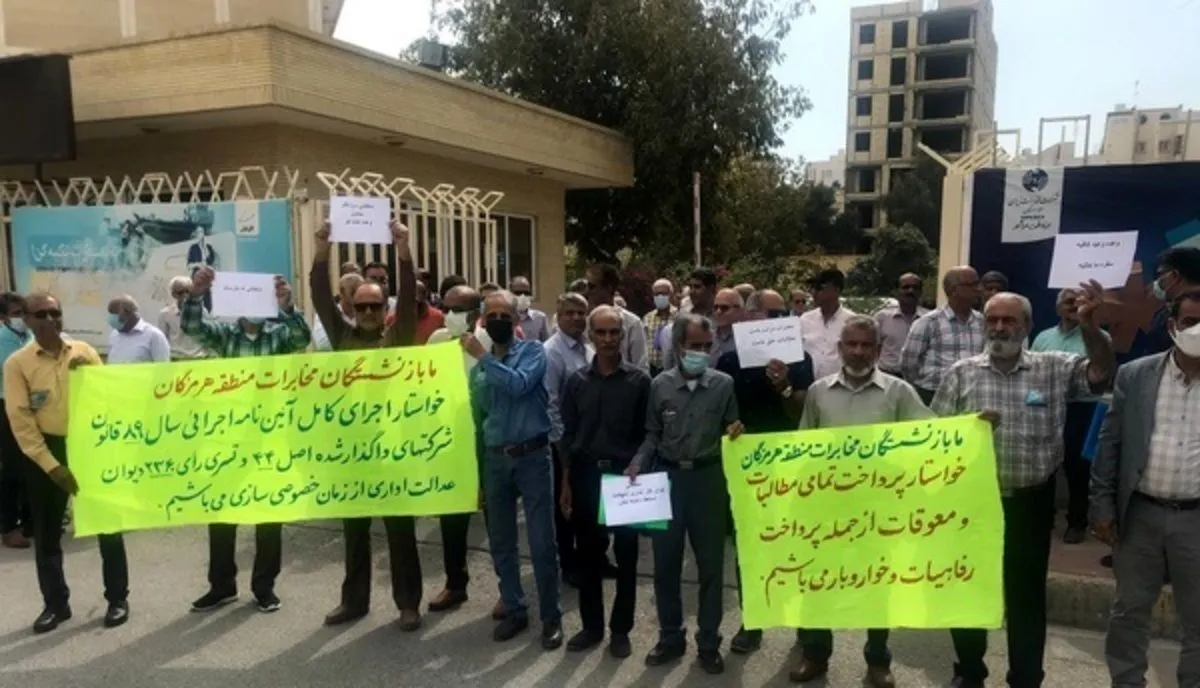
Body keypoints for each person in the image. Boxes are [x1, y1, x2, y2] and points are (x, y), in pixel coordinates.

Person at [932, 284, 1115, 688]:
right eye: (992, 319)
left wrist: (1089, 326)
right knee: (968, 590)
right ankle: (970, 673)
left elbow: (1101, 375)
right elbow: (935, 438)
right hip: (972, 505)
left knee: (1026, 597)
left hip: (1030, 505)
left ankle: (1027, 678)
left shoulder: (1054, 367)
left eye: (1008, 320)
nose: (999, 327)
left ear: (1027, 326)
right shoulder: (961, 373)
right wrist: (967, 430)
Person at [790, 315, 933, 688]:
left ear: (878, 349)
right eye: (851, 344)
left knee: (877, 585)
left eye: (866, 345)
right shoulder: (818, 392)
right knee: (818, 582)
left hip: (879, 509)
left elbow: (932, 436)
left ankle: (878, 661)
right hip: (827, 506)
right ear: (839, 348)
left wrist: (974, 428)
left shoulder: (899, 392)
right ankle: (815, 654)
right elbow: (804, 445)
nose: (858, 352)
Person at [310, 221, 425, 631]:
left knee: (399, 532)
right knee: (354, 530)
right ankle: (354, 601)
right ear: (351, 309)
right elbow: (319, 295)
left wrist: (404, 251)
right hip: (352, 452)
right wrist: (322, 249)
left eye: (376, 306)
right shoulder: (342, 336)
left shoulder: (398, 337)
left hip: (391, 451)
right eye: (361, 307)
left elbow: (408, 297)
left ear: (384, 308)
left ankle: (408, 603)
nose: (369, 313)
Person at [181, 267, 311, 614]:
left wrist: (287, 306)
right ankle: (222, 586)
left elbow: (302, 339)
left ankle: (264, 587)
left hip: (270, 436)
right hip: (230, 437)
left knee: (268, 513)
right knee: (221, 512)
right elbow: (192, 327)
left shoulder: (279, 335)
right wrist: (196, 293)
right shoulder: (225, 336)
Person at [1092, 290, 1200, 688]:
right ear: (1172, 326)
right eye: (1190, 322)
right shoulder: (1136, 375)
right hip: (1140, 514)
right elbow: (1110, 443)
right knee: (1129, 612)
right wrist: (1102, 506)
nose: (1198, 331)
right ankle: (1126, 682)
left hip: (1196, 518)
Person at [3, 292, 129, 632]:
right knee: (47, 533)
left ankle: (118, 598)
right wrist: (52, 466)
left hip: (90, 446)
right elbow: (21, 421)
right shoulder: (18, 364)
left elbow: (108, 401)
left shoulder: (84, 352)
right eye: (40, 314)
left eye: (54, 312)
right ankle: (56, 605)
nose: (49, 320)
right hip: (46, 449)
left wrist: (87, 377)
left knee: (108, 527)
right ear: (27, 319)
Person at [632, 313, 743, 675]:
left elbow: (732, 428)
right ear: (679, 346)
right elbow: (652, 434)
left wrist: (736, 431)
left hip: (708, 481)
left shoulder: (724, 384)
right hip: (667, 480)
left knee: (711, 566)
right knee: (665, 564)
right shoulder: (659, 385)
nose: (701, 352)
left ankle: (709, 642)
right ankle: (670, 636)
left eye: (707, 346)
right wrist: (637, 463)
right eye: (694, 345)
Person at [466, 289, 563, 649]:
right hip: (495, 460)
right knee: (501, 541)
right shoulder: (479, 368)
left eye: (504, 316)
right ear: (482, 320)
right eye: (491, 315)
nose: (498, 321)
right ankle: (514, 608)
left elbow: (520, 385)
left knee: (541, 542)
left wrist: (482, 358)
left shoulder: (533, 352)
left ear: (517, 319)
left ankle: (551, 617)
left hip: (532, 457)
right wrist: (478, 470)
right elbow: (479, 418)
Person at [719, 289, 814, 655]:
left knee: (799, 541)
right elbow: (723, 413)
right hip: (749, 468)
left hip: (792, 464)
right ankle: (753, 619)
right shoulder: (729, 361)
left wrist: (785, 386)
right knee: (750, 546)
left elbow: (803, 414)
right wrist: (731, 427)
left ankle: (805, 622)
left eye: (782, 314)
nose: (778, 321)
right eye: (770, 315)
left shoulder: (800, 359)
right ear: (750, 317)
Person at [558, 305, 651, 658]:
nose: (608, 339)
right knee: (589, 556)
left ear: (623, 336)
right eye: (601, 332)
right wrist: (566, 482)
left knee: (626, 557)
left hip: (625, 478)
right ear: (591, 335)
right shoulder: (576, 381)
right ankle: (592, 627)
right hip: (585, 475)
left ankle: (621, 630)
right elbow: (567, 434)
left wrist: (638, 466)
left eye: (614, 332)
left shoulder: (640, 382)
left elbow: (649, 434)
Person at [424, 284, 501, 620]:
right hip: (448, 442)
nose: (451, 315)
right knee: (452, 518)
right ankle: (455, 583)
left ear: (475, 314)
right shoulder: (436, 340)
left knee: (496, 519)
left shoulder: (489, 343)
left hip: (484, 441)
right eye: (447, 308)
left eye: (459, 309)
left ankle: (507, 589)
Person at [1032, 288, 1110, 545]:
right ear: (1058, 307)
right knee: (1045, 465)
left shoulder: (1099, 337)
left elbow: (1103, 371)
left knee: (1079, 468)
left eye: (1078, 302)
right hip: (1047, 406)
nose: (1073, 306)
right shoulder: (1043, 337)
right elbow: (1032, 373)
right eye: (1068, 302)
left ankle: (1077, 522)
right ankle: (1044, 517)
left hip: (1083, 409)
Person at [544, 293, 593, 589]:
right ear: (559, 316)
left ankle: (592, 558)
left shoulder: (587, 347)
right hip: (563, 443)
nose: (576, 318)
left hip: (589, 440)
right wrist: (562, 446)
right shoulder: (552, 352)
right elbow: (549, 402)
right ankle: (568, 563)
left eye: (581, 313)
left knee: (586, 503)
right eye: (570, 313)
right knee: (564, 508)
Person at [901, 266, 985, 405]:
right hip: (932, 395)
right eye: (972, 285)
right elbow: (908, 363)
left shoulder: (982, 322)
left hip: (972, 396)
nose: (979, 289)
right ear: (953, 290)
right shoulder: (928, 322)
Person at [0, 292, 32, 549]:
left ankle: (31, 522)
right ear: (3, 317)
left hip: (34, 408)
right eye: (16, 314)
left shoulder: (32, 337)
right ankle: (9, 527)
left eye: (25, 313)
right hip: (6, 408)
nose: (23, 318)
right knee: (11, 469)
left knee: (32, 466)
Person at [584, 264, 648, 370]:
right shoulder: (583, 322)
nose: (587, 291)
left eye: (591, 286)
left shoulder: (632, 323)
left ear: (608, 288)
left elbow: (641, 365)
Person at [800, 269, 856, 380]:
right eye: (813, 288)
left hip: (840, 384)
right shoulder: (805, 319)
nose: (814, 293)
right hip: (808, 384)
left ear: (836, 290)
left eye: (820, 288)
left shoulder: (852, 322)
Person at [1146, 247, 1200, 355]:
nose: (1157, 282)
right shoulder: (1163, 314)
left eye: (1160, 275)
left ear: (1175, 275)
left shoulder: (1165, 318)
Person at [874, 273, 929, 377]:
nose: (910, 291)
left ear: (920, 292)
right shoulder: (882, 318)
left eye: (915, 288)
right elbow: (873, 349)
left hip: (918, 378)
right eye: (905, 287)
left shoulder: (929, 319)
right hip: (887, 376)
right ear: (896, 292)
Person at [157, 276, 211, 360]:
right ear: (174, 294)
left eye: (188, 291)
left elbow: (208, 337)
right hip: (176, 359)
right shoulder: (165, 314)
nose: (185, 295)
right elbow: (162, 341)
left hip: (198, 358)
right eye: (180, 292)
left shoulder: (202, 312)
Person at [106, 295, 171, 364]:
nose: (111, 318)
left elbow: (163, 367)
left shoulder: (154, 335)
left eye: (114, 314)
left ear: (128, 312)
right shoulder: (114, 335)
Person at [311, 272, 365, 352]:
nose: (358, 296)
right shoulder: (326, 314)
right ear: (342, 291)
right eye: (354, 292)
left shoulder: (366, 314)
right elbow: (323, 345)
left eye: (361, 293)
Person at [643, 278, 677, 377]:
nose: (660, 297)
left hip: (672, 368)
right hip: (651, 368)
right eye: (656, 294)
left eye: (663, 293)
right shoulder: (647, 318)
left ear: (671, 295)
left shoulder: (679, 317)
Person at [512, 275, 550, 342]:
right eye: (518, 293)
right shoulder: (505, 317)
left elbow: (546, 343)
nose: (522, 296)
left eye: (526, 293)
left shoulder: (540, 317)